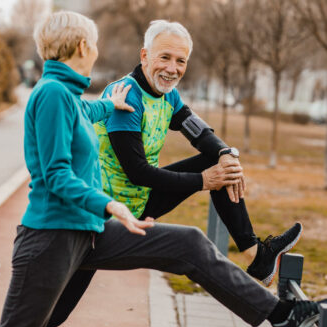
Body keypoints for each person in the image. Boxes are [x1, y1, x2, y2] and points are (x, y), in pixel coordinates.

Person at [0, 11, 319, 327]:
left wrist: (108, 107)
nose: (98, 51)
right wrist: (109, 203)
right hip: (53, 238)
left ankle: (281, 314)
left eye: (181, 60)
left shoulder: (69, 95)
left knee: (189, 243)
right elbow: (56, 174)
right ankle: (274, 297)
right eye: (96, 44)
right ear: (84, 46)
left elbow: (85, 113)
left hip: (91, 230)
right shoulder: (54, 93)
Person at [94, 19, 302, 287]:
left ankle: (257, 255)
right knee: (58, 306)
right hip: (107, 211)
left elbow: (199, 132)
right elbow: (137, 172)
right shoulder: (126, 94)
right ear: (145, 56)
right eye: (165, 58)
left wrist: (227, 154)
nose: (172, 69)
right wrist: (204, 180)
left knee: (219, 160)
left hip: (141, 202)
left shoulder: (168, 95)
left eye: (180, 61)